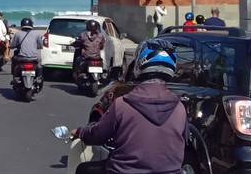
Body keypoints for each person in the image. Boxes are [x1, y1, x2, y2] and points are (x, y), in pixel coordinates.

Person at [70, 39, 187, 174]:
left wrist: (80, 132)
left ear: (139, 64)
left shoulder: (123, 105)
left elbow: (97, 135)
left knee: (83, 170)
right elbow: (181, 142)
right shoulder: (179, 108)